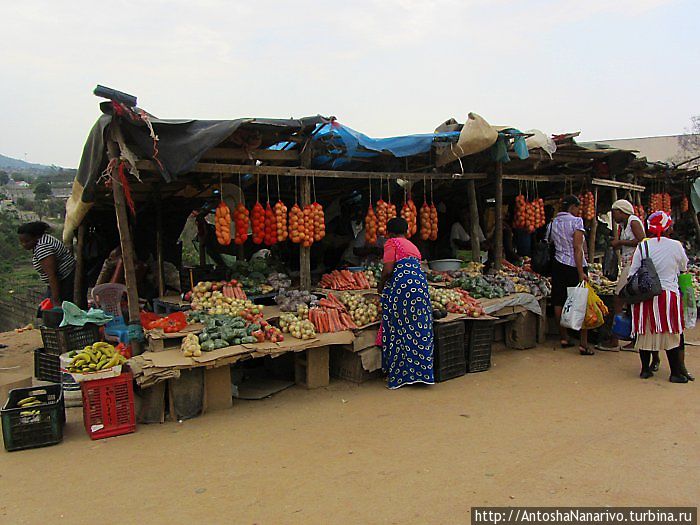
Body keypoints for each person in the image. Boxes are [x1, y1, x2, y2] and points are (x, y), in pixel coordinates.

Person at [629, 211, 691, 383]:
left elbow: (633, 271)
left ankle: (645, 369)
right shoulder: (676, 245)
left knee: (645, 332)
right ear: (667, 228)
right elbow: (683, 267)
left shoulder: (643, 246)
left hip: (646, 295)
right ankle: (676, 373)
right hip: (668, 295)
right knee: (671, 333)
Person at [377, 218, 434, 389]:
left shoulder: (391, 243)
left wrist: (380, 286)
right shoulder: (412, 246)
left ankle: (400, 375)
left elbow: (388, 270)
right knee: (419, 328)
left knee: (398, 328)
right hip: (420, 289)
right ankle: (423, 374)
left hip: (403, 290)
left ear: (389, 232)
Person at [598, 199, 645, 352]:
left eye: (615, 212)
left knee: (618, 298)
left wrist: (620, 242)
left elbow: (642, 240)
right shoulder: (624, 225)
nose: (614, 215)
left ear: (622, 211)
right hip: (628, 264)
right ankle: (632, 339)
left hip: (633, 264)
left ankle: (615, 340)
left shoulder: (633, 221)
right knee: (631, 301)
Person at [548, 195, 591, 354]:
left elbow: (552, 243)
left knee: (558, 300)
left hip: (558, 264)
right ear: (572, 207)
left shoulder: (553, 223)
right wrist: (581, 272)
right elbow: (577, 248)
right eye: (577, 207)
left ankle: (564, 337)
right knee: (581, 301)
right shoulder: (576, 221)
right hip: (574, 265)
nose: (578, 210)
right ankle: (583, 343)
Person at [18, 221, 76, 309]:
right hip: (65, 278)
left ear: (36, 237)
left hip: (65, 281)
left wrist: (56, 301)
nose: (24, 245)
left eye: (27, 241)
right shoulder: (45, 239)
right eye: (21, 242)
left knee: (52, 311)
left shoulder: (43, 248)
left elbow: (53, 275)